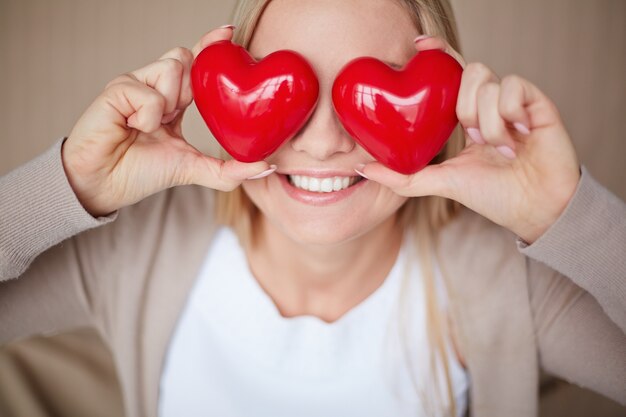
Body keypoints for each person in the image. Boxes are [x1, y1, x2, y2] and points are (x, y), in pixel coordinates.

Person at [1, 0, 625, 416]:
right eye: (286, 87)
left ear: (444, 111)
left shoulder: (512, 285)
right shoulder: (133, 250)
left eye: (373, 84)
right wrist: (70, 185)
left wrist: (565, 214)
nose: (323, 142)